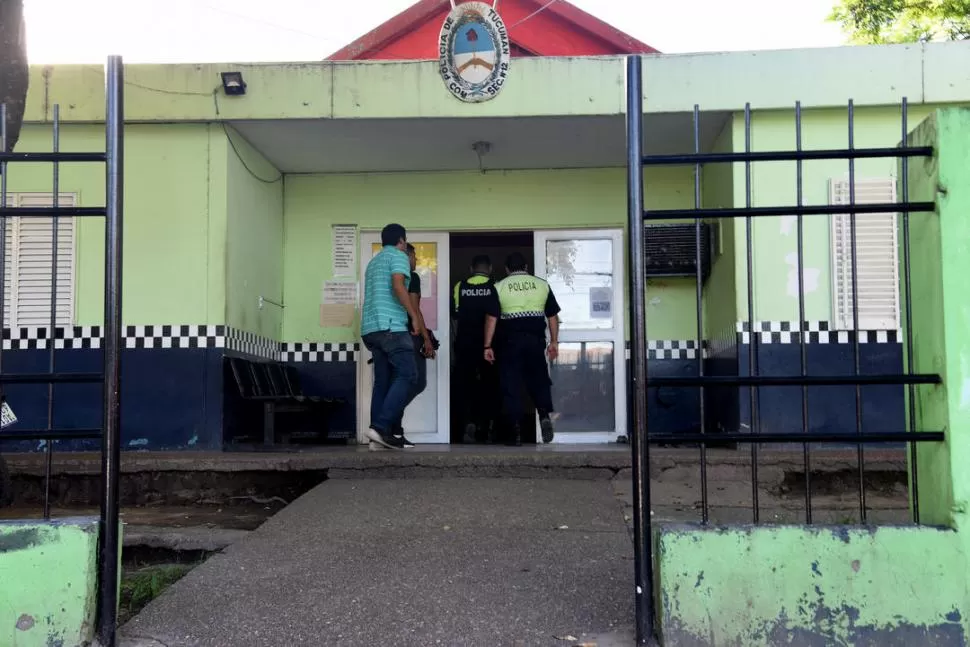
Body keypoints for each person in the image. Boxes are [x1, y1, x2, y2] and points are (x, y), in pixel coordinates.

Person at [483, 252, 561, 446]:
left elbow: (491, 318)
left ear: (507, 269)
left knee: (511, 386)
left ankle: (515, 432)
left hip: (510, 343)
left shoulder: (499, 287)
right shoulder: (542, 285)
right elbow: (552, 316)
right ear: (526, 267)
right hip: (535, 341)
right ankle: (544, 415)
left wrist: (487, 345)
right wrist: (554, 342)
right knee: (539, 381)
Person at [360, 223, 424, 450]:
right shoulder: (398, 256)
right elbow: (398, 286)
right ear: (402, 240)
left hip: (371, 329)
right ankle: (381, 427)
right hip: (391, 327)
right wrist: (413, 316)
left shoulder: (373, 262)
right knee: (408, 374)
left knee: (383, 382)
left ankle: (377, 437)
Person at [389, 243, 435, 448]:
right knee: (416, 382)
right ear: (405, 257)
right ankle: (389, 423)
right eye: (414, 256)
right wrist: (426, 339)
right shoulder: (411, 277)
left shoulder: (390, 276)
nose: (415, 261)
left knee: (397, 383)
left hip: (390, 334)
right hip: (409, 335)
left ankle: (394, 430)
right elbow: (415, 310)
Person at [451, 254, 499, 444]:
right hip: (490, 346)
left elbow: (455, 316)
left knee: (465, 385)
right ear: (490, 268)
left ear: (471, 269)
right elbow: (497, 314)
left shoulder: (460, 286)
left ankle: (467, 422)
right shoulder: (496, 286)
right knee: (490, 385)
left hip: (465, 344)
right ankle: (487, 426)